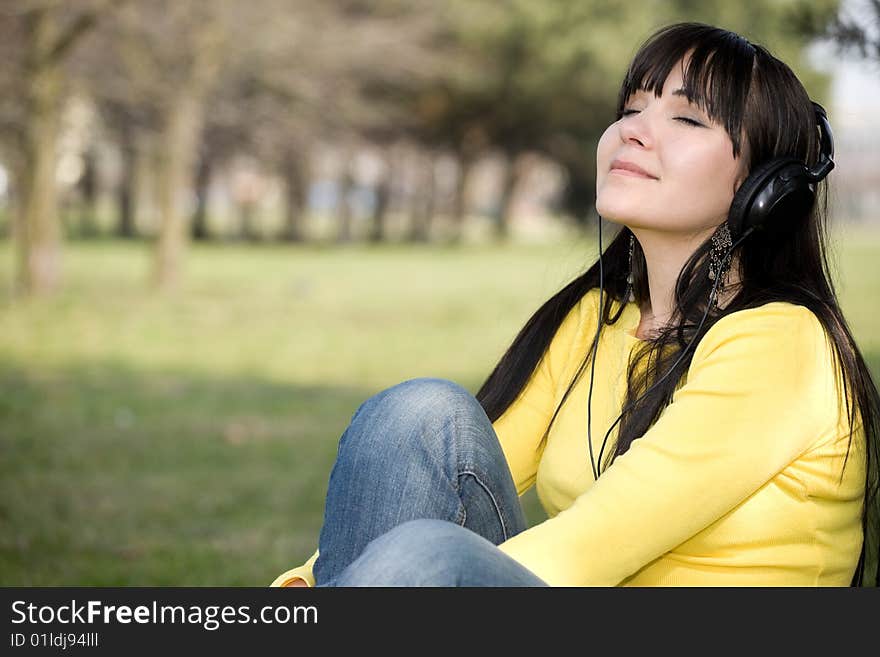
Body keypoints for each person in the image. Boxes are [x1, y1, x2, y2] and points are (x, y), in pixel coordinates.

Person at [270, 22, 879, 587]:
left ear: (765, 190)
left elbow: (596, 543)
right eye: (632, 108)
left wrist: (422, 576)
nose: (632, 130)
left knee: (427, 555)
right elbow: (450, 470)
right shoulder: (596, 318)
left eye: (687, 120)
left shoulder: (782, 343)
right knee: (418, 415)